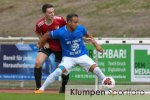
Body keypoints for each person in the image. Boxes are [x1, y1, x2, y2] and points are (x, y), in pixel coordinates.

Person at [34, 13, 106, 93]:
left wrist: (96, 45)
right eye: (75, 22)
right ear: (69, 22)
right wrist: (41, 44)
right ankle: (41, 89)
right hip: (68, 58)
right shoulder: (61, 32)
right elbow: (47, 35)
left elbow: (89, 35)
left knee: (97, 70)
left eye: (77, 22)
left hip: (82, 56)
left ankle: (110, 89)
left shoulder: (81, 29)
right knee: (58, 71)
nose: (77, 24)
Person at [34, 3, 69, 93]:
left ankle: (63, 87)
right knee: (38, 63)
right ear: (44, 13)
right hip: (48, 45)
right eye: (49, 12)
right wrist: (44, 41)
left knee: (65, 69)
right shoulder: (40, 24)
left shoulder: (60, 20)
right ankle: (38, 88)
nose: (52, 14)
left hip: (60, 46)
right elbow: (37, 32)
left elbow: (68, 29)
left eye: (53, 12)